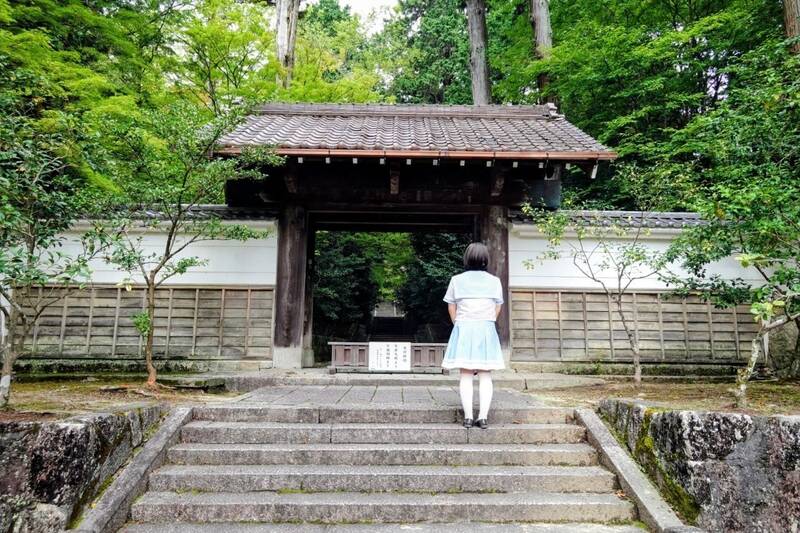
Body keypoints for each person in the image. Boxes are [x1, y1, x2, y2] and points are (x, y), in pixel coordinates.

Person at [441, 242, 505, 429]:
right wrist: (487, 321)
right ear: (486, 259)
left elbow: (451, 306)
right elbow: (497, 306)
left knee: (466, 374)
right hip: (486, 328)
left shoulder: (456, 280)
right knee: (485, 374)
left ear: (466, 258)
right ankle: (483, 417)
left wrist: (458, 323)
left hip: (464, 327)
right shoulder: (494, 281)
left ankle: (468, 417)